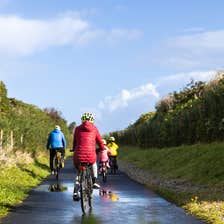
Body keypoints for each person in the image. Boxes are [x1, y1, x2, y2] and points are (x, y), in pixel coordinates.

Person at [72, 112, 106, 201]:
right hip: (90, 155)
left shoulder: (77, 129)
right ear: (92, 121)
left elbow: (75, 141)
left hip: (78, 155)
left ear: (82, 120)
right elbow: (99, 141)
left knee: (79, 173)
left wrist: (73, 148)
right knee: (94, 163)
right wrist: (102, 148)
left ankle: (75, 192)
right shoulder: (94, 129)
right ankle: (94, 182)